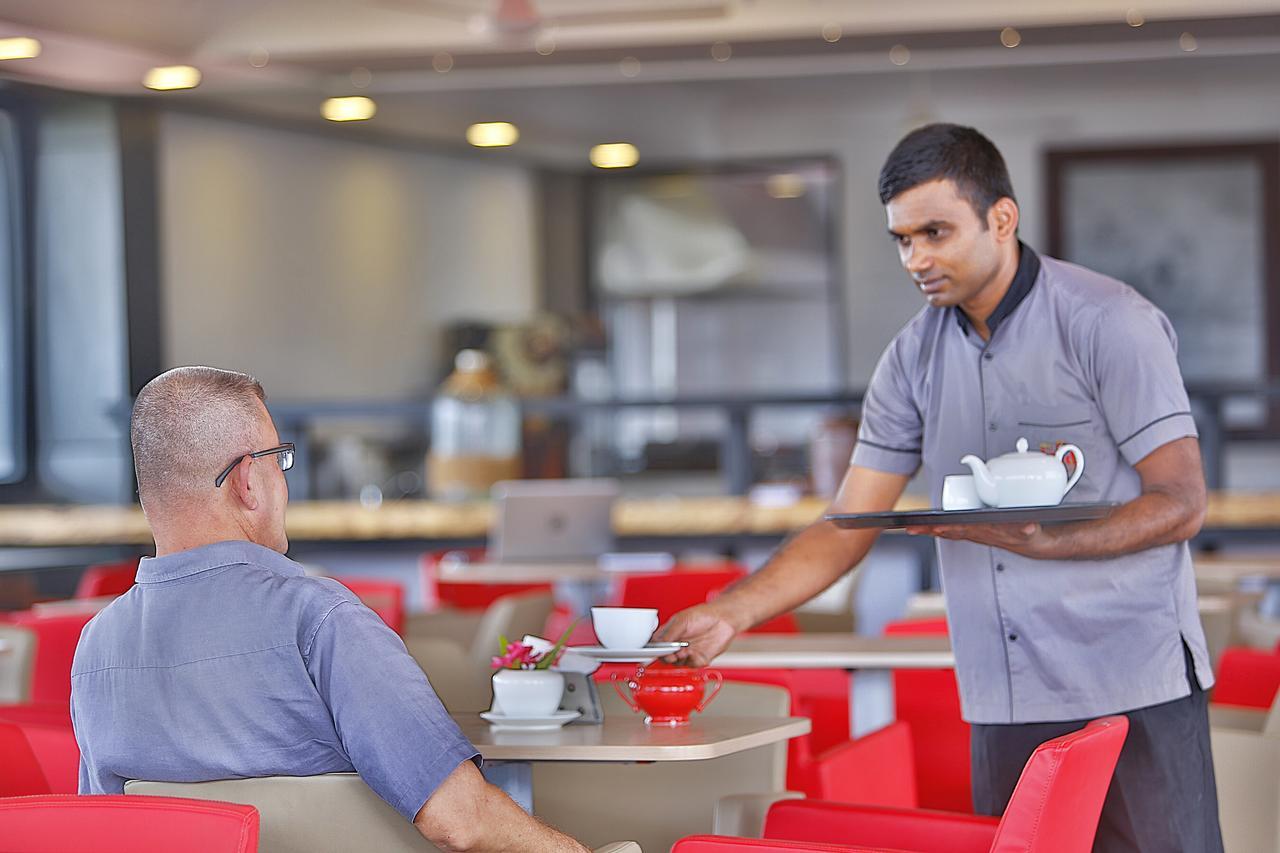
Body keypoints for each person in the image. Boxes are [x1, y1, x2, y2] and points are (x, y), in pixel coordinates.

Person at [661, 124, 1222, 851]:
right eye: (902, 239)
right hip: (1004, 697)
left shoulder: (1110, 322)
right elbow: (849, 523)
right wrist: (730, 612)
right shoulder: (910, 359)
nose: (916, 258)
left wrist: (1049, 543)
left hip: (1134, 687)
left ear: (1002, 218)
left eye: (936, 231)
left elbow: (1182, 501)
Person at [71, 366, 588, 853]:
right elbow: (461, 821)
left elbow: (103, 832)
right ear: (248, 481)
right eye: (281, 460)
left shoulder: (95, 646)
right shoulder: (318, 620)